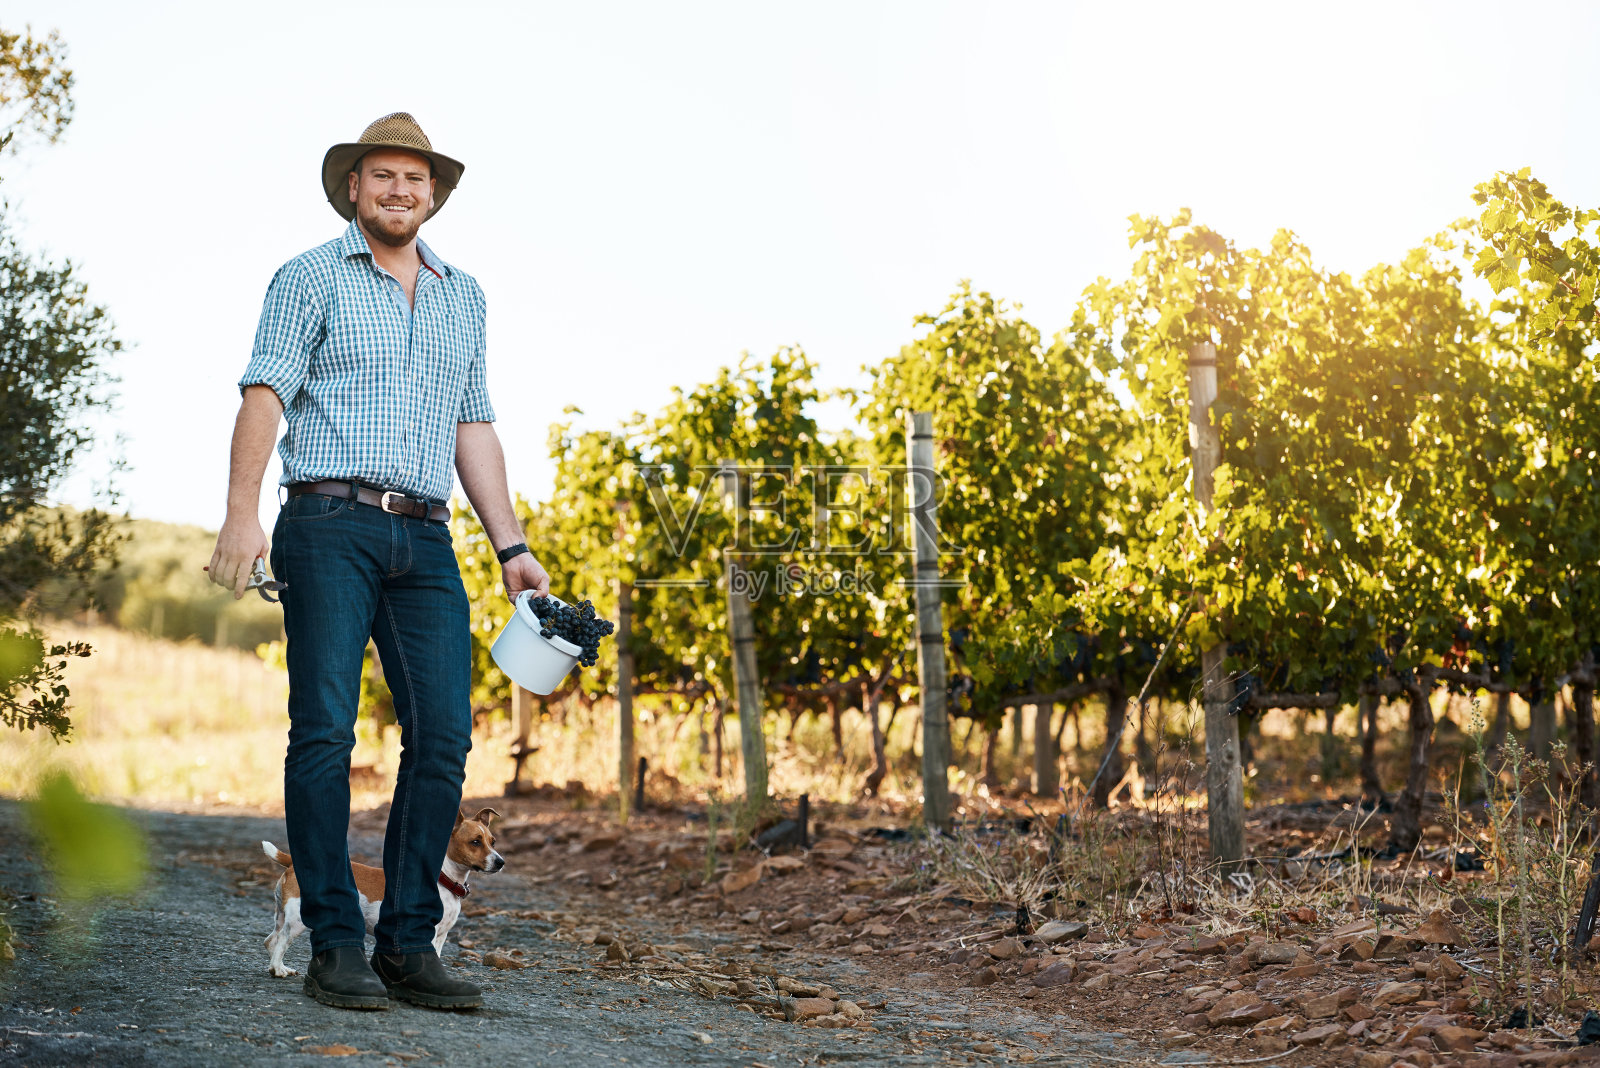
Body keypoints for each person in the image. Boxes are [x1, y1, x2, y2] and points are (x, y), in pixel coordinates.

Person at [207, 112, 550, 1011]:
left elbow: (474, 421)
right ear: (354, 188)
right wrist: (242, 512)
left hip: (426, 535)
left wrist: (511, 544)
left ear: (433, 195)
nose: (401, 190)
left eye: (416, 178)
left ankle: (403, 943)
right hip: (327, 521)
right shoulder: (309, 276)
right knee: (325, 730)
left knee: (443, 735)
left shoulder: (464, 296)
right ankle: (334, 941)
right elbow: (264, 391)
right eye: (384, 175)